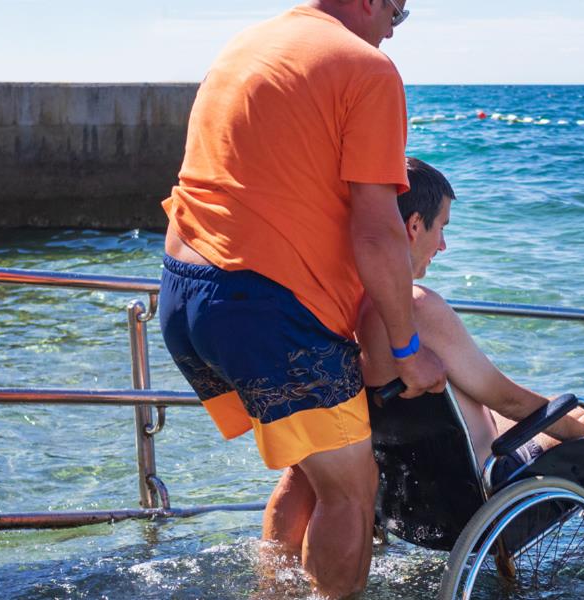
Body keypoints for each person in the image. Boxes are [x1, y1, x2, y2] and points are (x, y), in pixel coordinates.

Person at [156, 1, 442, 598]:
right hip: (266, 309)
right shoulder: (366, 68)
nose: (395, 25)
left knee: (311, 468)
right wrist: (407, 346)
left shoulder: (247, 45)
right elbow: (376, 227)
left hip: (185, 296)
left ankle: (275, 593)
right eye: (398, 9)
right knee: (352, 489)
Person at [358, 158, 584, 481]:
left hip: (422, 484)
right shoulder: (419, 307)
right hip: (492, 478)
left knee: (556, 405)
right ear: (414, 226)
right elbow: (508, 400)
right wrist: (581, 431)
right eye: (441, 228)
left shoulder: (356, 308)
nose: (443, 245)